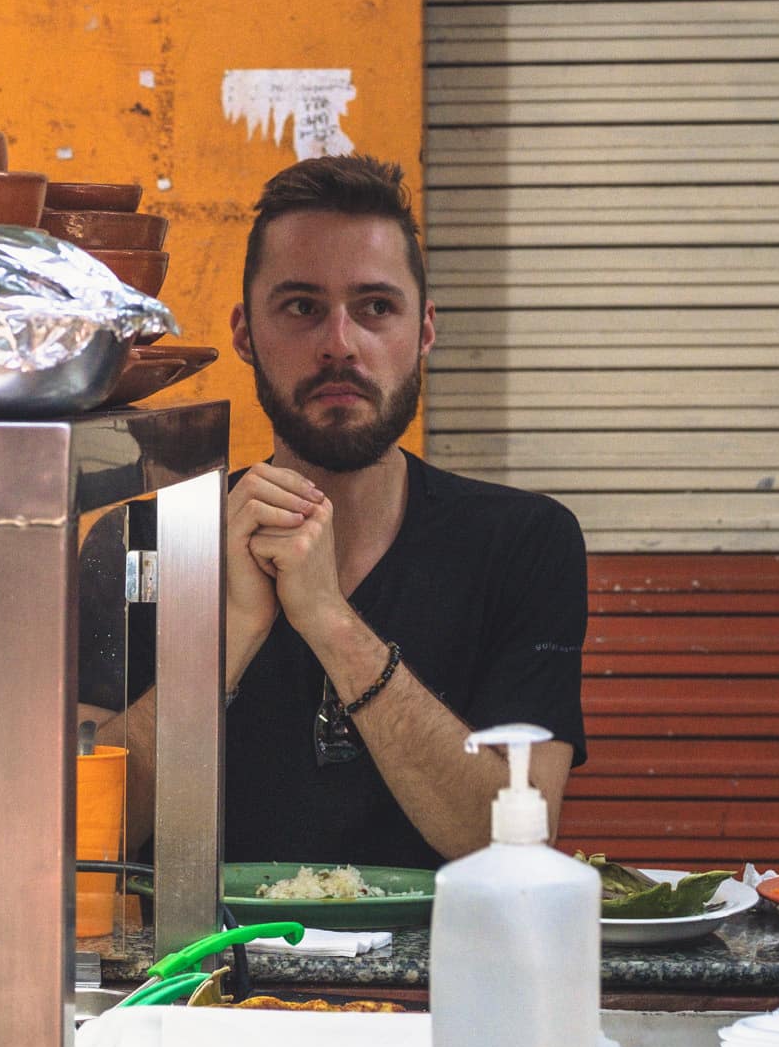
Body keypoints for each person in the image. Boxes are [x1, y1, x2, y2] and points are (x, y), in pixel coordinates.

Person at [93, 153, 589, 868]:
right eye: (300, 307)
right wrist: (228, 632)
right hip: (196, 972)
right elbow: (79, 837)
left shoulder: (521, 542)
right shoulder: (138, 543)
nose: (338, 344)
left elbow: (512, 843)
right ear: (244, 333)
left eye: (375, 308)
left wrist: (329, 620)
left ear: (422, 331)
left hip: (439, 972)